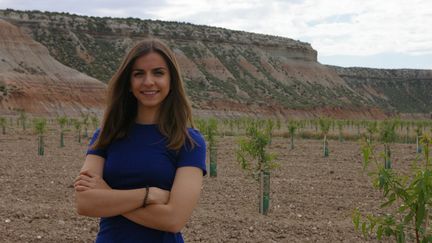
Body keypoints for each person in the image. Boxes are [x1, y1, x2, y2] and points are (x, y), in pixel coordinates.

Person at [74, 38, 207, 243]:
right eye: (138, 74)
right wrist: (149, 195)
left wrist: (108, 195)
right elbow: (84, 203)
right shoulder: (106, 135)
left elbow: (173, 220)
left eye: (158, 73)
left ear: (171, 81)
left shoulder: (189, 142)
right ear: (128, 83)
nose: (148, 82)